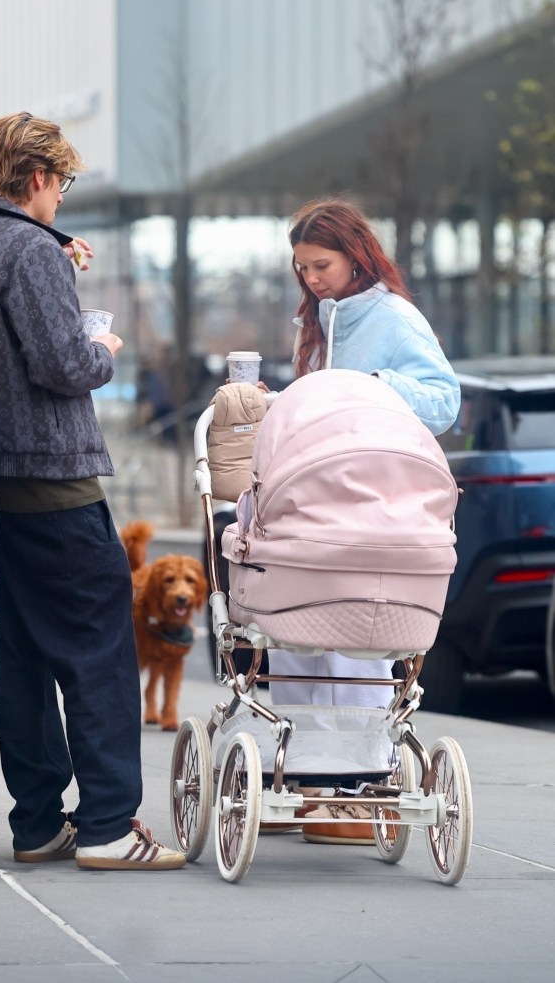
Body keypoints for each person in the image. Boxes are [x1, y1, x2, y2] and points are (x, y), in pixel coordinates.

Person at [0, 112, 185, 871]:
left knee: (22, 659)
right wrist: (100, 345)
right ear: (36, 177)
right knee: (99, 652)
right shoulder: (30, 249)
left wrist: (54, 262)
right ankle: (106, 826)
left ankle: (38, 822)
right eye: (62, 184)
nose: (62, 199)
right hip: (53, 482)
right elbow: (61, 365)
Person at [267, 197, 460, 843]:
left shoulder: (395, 317)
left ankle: (354, 786)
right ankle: (311, 781)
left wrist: (375, 384)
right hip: (324, 501)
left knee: (354, 640)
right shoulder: (322, 320)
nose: (312, 277)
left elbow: (443, 397)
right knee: (303, 638)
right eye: (303, 268)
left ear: (357, 254)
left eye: (321, 264)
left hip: (373, 501)